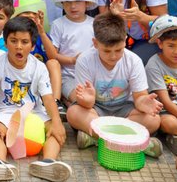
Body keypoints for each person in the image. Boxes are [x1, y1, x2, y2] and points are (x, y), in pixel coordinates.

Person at [0, 16, 72, 182]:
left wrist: (56, 121)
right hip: (6, 112)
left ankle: (47, 163)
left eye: (25, 42)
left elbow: (48, 99)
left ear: (32, 46)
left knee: (55, 131)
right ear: (5, 42)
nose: (19, 46)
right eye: (14, 41)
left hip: (35, 111)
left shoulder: (39, 67)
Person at [66, 13, 161, 154]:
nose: (113, 56)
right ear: (95, 43)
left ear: (125, 40)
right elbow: (85, 104)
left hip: (124, 110)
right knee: (73, 113)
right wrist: (88, 101)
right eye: (107, 51)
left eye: (118, 50)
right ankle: (135, 143)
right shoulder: (85, 60)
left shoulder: (134, 61)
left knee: (154, 120)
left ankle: (96, 139)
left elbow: (140, 96)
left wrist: (143, 102)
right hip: (96, 110)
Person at [145, 15, 177, 154]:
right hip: (165, 112)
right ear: (160, 44)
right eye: (171, 46)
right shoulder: (154, 65)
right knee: (170, 124)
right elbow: (166, 102)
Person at [48, 0, 98, 100]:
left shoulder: (95, 24)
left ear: (86, 3)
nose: (73, 6)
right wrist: (71, 60)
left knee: (97, 98)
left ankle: (70, 104)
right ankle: (68, 100)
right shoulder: (58, 24)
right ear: (62, 4)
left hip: (92, 76)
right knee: (79, 98)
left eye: (77, 1)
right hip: (68, 76)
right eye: (68, 2)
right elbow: (52, 54)